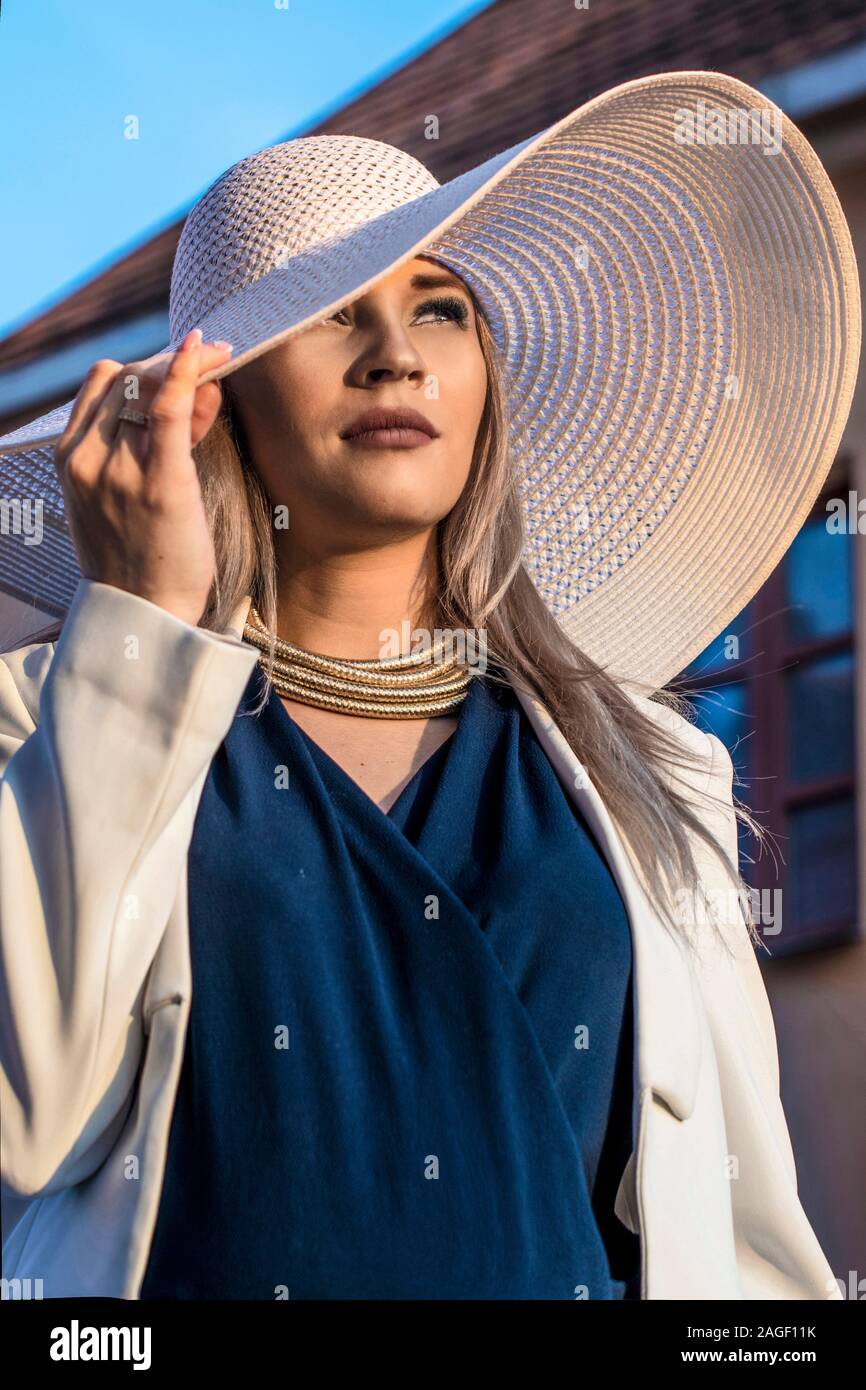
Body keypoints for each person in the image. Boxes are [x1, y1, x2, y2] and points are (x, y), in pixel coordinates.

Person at [0, 70, 858, 1301]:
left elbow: (744, 1235)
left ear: (484, 386)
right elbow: (28, 1117)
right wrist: (134, 627)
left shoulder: (649, 770)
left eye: (440, 310)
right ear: (209, 405)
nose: (396, 356)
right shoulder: (51, 718)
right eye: (334, 314)